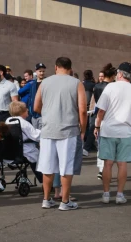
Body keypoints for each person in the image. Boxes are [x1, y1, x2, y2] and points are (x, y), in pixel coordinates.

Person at [33, 56, 86, 211]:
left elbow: (36, 107)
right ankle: (64, 201)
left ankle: (46, 199)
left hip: (48, 129)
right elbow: (82, 110)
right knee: (66, 167)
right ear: (70, 68)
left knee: (47, 167)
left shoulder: (45, 82)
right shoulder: (76, 83)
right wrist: (83, 130)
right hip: (68, 130)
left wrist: (49, 111)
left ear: (56, 67)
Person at [93, 61, 131, 205]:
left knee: (107, 164)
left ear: (119, 74)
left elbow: (101, 110)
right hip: (126, 131)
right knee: (122, 164)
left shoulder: (110, 88)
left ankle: (106, 194)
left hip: (108, 130)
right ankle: (120, 195)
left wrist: (97, 126)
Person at [94, 64, 116, 180]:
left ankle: (101, 169)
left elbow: (98, 106)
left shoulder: (97, 87)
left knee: (101, 146)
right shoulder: (114, 87)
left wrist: (96, 124)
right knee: (111, 147)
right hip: (111, 118)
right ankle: (107, 169)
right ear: (112, 76)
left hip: (100, 118)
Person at [18, 63, 45, 128]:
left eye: (43, 71)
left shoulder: (46, 82)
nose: (42, 73)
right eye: (40, 71)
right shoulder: (32, 84)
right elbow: (30, 98)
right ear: (36, 71)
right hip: (33, 115)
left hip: (43, 115)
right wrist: (30, 110)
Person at [82, 69, 96, 153]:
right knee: (91, 126)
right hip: (91, 108)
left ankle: (87, 144)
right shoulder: (93, 85)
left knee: (84, 126)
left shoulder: (81, 85)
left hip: (83, 106)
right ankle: (90, 145)